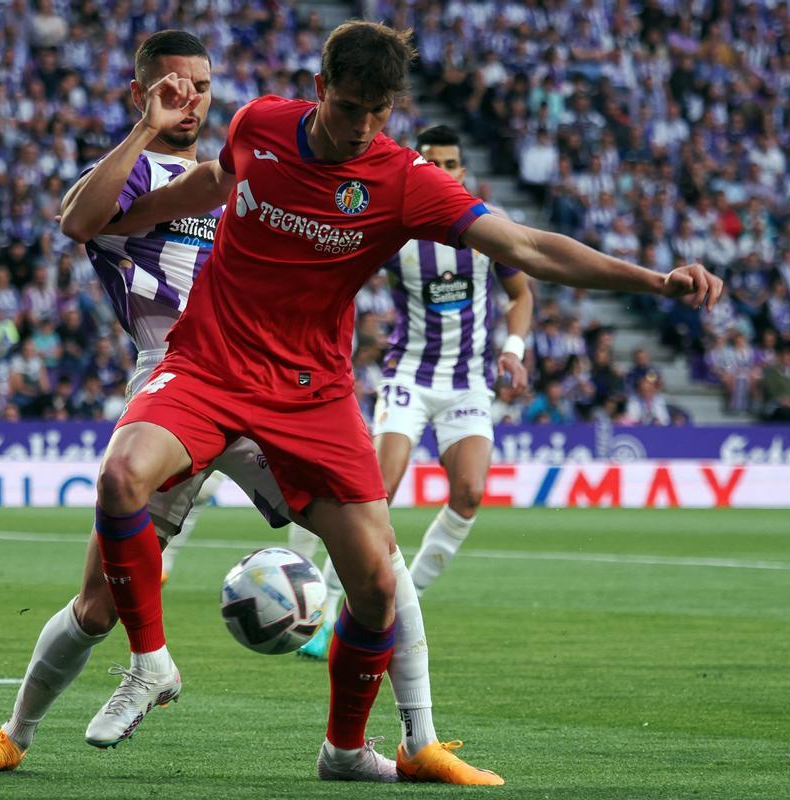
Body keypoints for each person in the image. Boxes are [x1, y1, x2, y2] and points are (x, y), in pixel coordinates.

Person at [102, 21, 719, 784]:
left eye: (378, 111)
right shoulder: (258, 123)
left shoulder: (402, 180)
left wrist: (654, 280)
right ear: (321, 86)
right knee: (121, 475)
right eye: (350, 106)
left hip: (312, 395)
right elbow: (205, 185)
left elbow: (526, 248)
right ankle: (148, 663)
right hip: (211, 366)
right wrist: (119, 218)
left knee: (376, 582)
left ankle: (346, 750)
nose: (362, 125)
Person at [0, 30, 295, 778]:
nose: (188, 97)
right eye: (171, 85)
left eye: (199, 84)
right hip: (172, 389)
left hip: (260, 386)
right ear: (141, 93)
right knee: (99, 603)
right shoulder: (129, 174)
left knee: (369, 542)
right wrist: (145, 132)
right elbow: (76, 222)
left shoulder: (232, 178)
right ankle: (13, 736)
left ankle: (408, 733)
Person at [292, 124, 533, 662]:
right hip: (409, 378)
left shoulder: (489, 232)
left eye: (451, 165)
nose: (443, 173)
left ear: (462, 173)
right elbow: (341, 270)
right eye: (433, 163)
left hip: (467, 380)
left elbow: (522, 294)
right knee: (375, 493)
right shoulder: (399, 231)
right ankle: (330, 611)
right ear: (420, 167)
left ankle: (407, 600)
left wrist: (513, 347)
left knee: (469, 492)